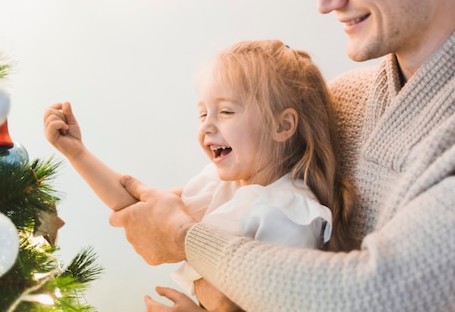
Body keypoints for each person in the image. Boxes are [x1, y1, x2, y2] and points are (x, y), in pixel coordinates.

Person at [108, 0, 455, 311]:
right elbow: (242, 192)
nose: (325, 1)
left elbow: (373, 296)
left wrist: (183, 238)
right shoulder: (348, 96)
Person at [44, 40, 356, 311]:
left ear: (282, 126)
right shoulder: (223, 185)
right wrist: (78, 153)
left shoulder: (287, 213)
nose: (207, 127)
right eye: (203, 113)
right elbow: (139, 206)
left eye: (226, 112)